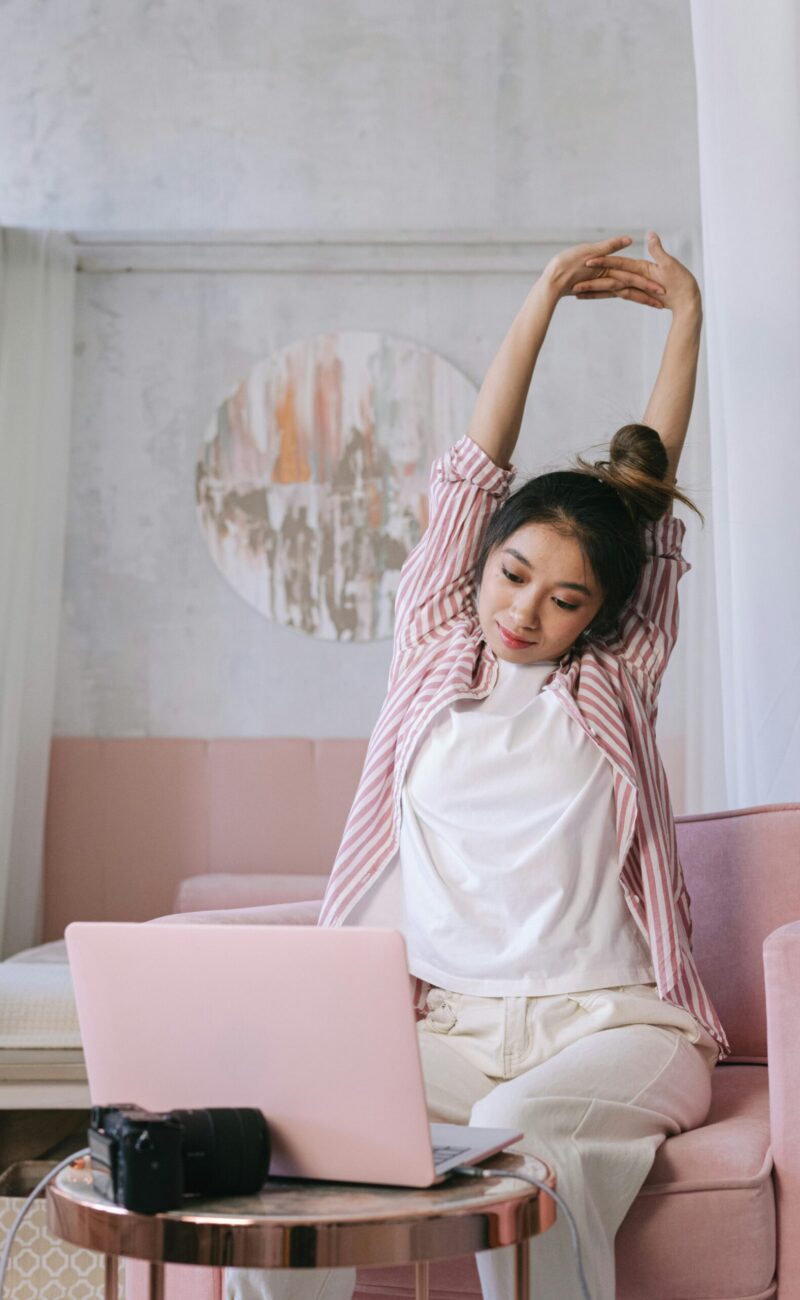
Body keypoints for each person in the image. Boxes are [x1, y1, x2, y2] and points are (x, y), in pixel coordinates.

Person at [227, 232, 729, 1300]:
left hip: (612, 1024)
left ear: (601, 614)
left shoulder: (614, 678)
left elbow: (652, 501)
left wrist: (688, 318)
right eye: (511, 575)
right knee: (292, 1145)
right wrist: (544, 294)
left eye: (564, 600)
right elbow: (469, 472)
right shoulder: (430, 646)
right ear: (482, 558)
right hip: (446, 1021)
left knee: (519, 1136)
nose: (524, 612)